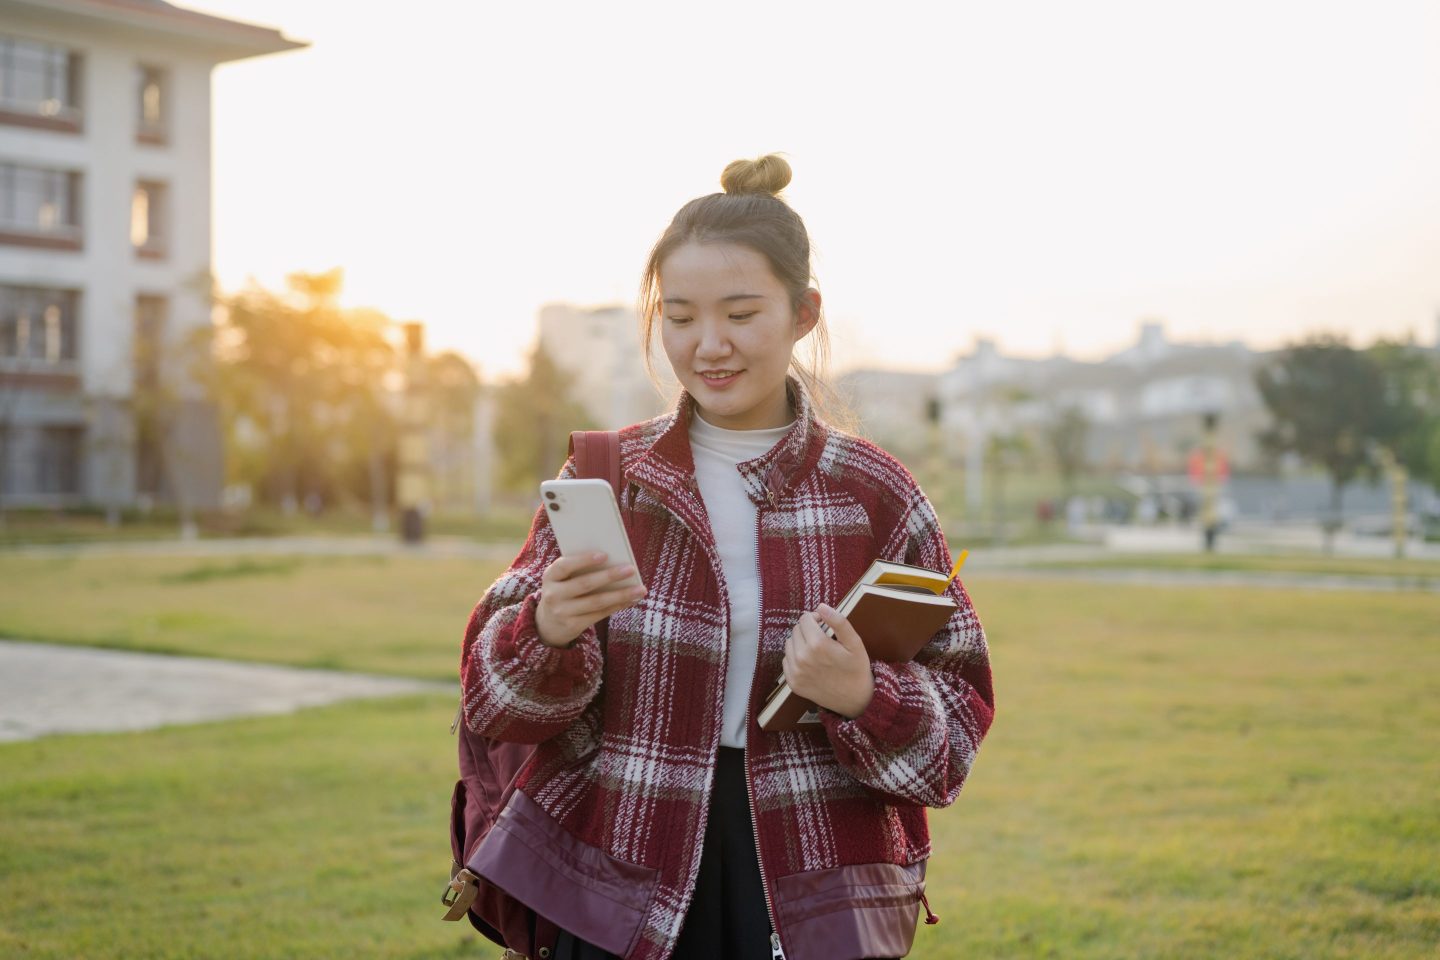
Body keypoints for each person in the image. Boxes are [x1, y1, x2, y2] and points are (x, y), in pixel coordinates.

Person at [460, 155, 995, 960]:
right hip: (613, 879)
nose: (709, 345)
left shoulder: (873, 492)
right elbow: (494, 706)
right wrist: (546, 628)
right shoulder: (608, 478)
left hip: (812, 885)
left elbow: (953, 737)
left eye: (741, 314)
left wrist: (863, 694)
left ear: (804, 312)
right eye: (679, 317)